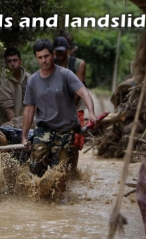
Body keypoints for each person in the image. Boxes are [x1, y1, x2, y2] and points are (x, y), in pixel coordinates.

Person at [21, 39, 97, 178]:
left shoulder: (65, 74)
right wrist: (24, 137)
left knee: (58, 172)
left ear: (53, 54)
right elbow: (29, 109)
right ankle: (38, 197)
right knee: (35, 168)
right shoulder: (33, 80)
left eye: (46, 56)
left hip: (65, 129)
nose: (44, 60)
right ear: (36, 58)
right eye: (40, 57)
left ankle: (59, 197)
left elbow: (83, 92)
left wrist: (91, 112)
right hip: (43, 129)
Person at [53, 36, 87, 171]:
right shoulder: (50, 64)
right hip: (55, 109)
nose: (60, 54)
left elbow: (77, 91)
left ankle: (73, 171)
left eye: (62, 50)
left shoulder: (79, 64)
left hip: (75, 107)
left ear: (68, 49)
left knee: (73, 143)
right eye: (57, 51)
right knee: (54, 141)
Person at [0, 47, 31, 122]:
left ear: (20, 61)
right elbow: (8, 108)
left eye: (15, 60)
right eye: (9, 61)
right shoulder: (2, 79)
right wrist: (16, 127)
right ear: (6, 63)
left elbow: (31, 104)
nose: (12, 64)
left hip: (27, 121)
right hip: (7, 123)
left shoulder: (29, 78)